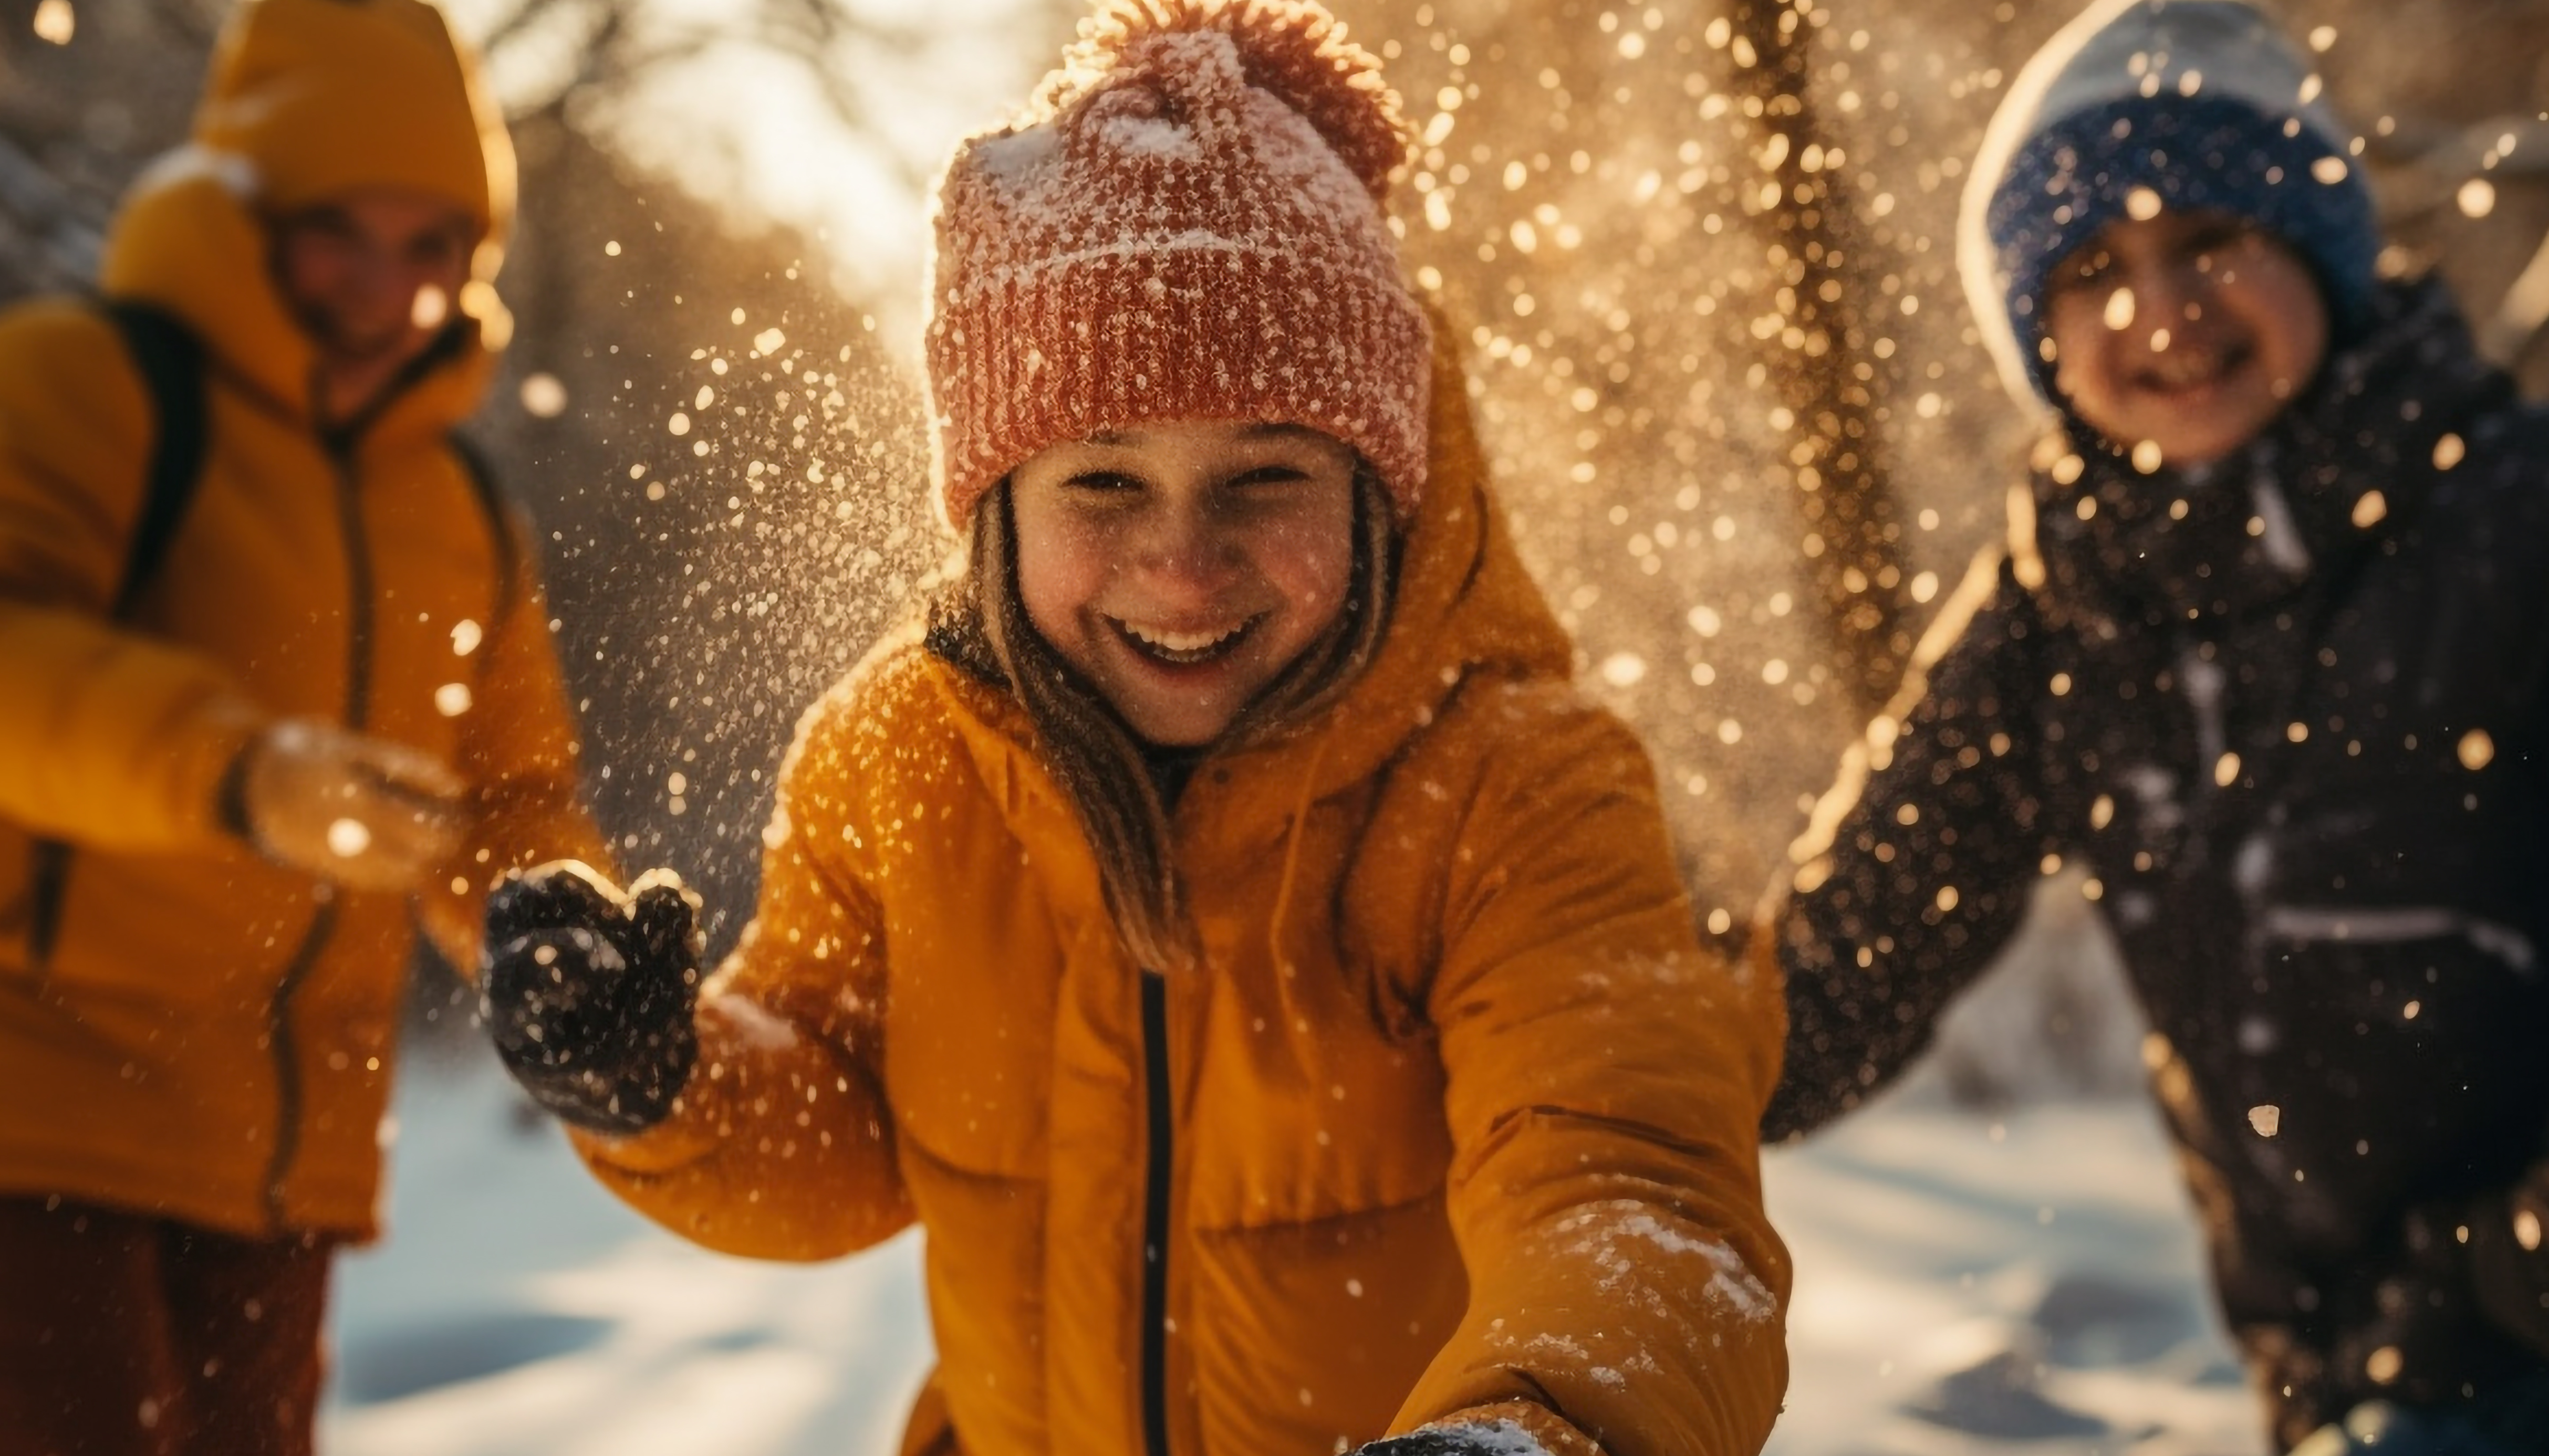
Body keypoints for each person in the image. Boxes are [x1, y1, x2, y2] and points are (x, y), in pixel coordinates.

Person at [477, 2, 1789, 1452]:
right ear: (993, 510)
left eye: (1265, 479)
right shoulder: (899, 763)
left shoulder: (1514, 788)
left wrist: (1534, 1429)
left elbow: (1628, 1188)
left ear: (1378, 488)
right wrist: (667, 1078)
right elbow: (842, 1125)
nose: (1182, 564)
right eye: (1103, 483)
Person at [1758, 0, 2549, 1451]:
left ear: (2319, 249)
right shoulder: (2070, 612)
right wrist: (1556, 1038)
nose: (2160, 311)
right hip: (2325, 1387)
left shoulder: (2502, 529)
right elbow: (1816, 992)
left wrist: (2501, 1272)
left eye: (2207, 240)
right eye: (2091, 268)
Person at [0, 1, 606, 1451]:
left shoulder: (462, 513)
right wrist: (238, 772)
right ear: (246, 210)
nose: (388, 291)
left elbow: (511, 797)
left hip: (286, 1169)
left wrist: (566, 933)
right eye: (344, 232)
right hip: (41, 1122)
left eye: (434, 247)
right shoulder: (85, 386)